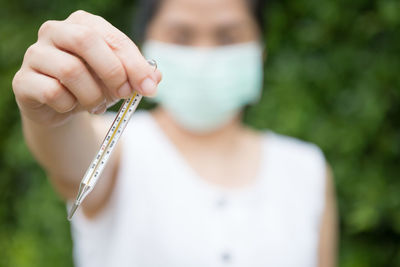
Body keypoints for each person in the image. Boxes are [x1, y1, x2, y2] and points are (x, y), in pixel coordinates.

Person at [12, 0, 337, 266]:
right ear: (145, 46)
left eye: (227, 37)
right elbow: (68, 153)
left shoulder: (305, 168)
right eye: (181, 36)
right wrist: (51, 111)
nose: (204, 54)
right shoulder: (120, 146)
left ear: (260, 51)